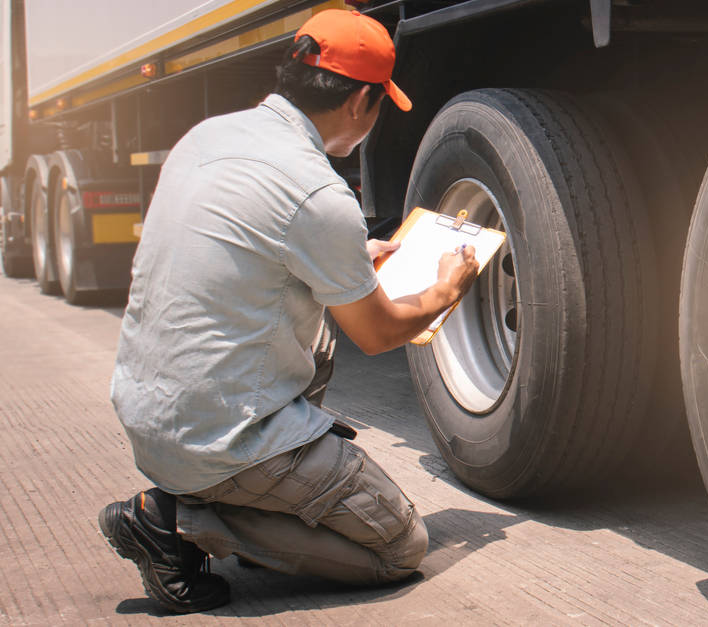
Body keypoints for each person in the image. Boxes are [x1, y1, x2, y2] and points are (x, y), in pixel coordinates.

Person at [98, 9, 478, 613]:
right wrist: (446, 288)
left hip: (151, 415)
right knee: (398, 547)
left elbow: (242, 248)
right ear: (360, 101)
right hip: (217, 435)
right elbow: (378, 334)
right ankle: (176, 521)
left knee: (320, 333)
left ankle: (216, 498)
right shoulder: (318, 194)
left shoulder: (207, 137)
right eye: (381, 105)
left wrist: (347, 258)